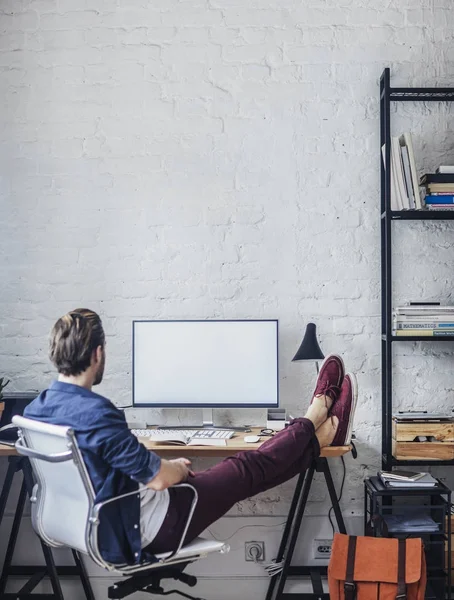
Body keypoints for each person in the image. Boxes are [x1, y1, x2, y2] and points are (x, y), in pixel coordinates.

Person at [24, 309, 358, 564]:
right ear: (98, 354)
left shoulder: (37, 409)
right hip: (151, 528)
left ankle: (313, 439)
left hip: (98, 528)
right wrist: (178, 469)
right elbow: (158, 479)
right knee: (244, 467)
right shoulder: (99, 414)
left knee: (250, 472)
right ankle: (314, 418)